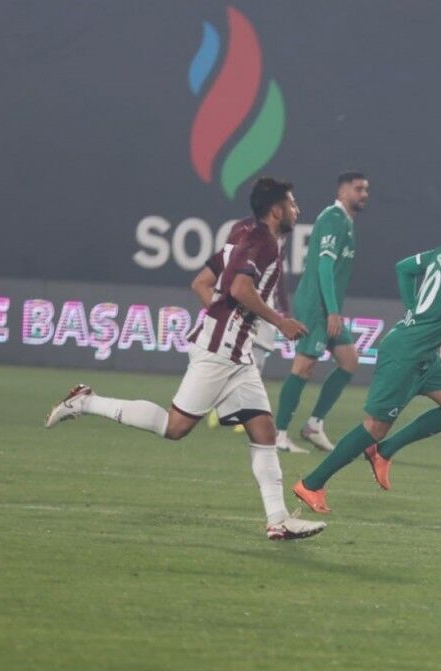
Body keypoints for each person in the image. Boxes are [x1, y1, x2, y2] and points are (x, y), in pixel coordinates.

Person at [44, 178, 326, 541]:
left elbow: (201, 283)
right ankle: (86, 401)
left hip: (233, 350)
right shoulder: (263, 242)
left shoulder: (242, 231)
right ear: (276, 210)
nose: (297, 210)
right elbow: (240, 288)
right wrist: (278, 322)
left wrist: (221, 319)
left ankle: (278, 520)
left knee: (263, 431)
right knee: (174, 427)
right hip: (222, 351)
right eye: (292, 203)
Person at [291, 213, 441, 513]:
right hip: (405, 355)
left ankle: (384, 452)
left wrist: (413, 312)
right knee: (374, 427)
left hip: (426, 355)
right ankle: (311, 484)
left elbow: (404, 269)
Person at [273, 172, 370, 453]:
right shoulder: (332, 219)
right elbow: (324, 267)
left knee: (349, 361)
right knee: (303, 367)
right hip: (317, 307)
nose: (364, 194)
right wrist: (332, 312)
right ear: (342, 192)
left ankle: (314, 425)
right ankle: (279, 434)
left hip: (328, 307)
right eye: (358, 189)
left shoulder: (346, 222)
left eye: (366, 189)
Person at [191, 216, 291, 433]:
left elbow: (278, 276)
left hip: (264, 303)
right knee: (237, 358)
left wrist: (284, 306)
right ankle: (226, 407)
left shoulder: (278, 234)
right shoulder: (243, 228)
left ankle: (238, 410)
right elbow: (225, 267)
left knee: (257, 359)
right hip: (243, 301)